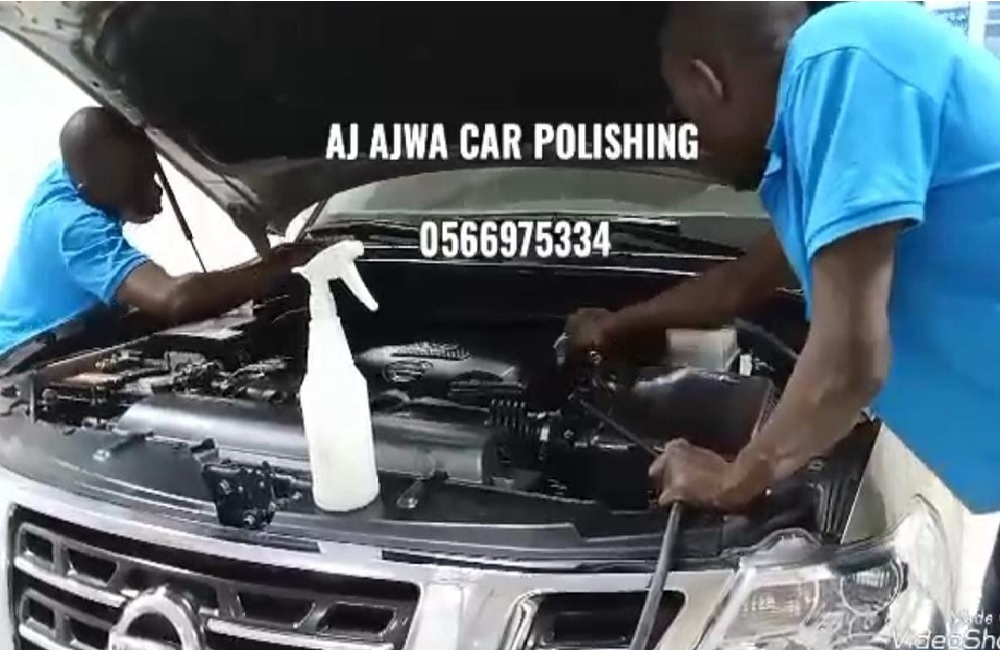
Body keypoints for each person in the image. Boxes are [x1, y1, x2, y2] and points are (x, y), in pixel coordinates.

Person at [566, 0, 1000, 630]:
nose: (695, 145)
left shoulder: (843, 62)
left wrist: (732, 480)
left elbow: (850, 362)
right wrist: (617, 326)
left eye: (685, 115)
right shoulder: (822, 138)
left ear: (705, 80)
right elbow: (741, 283)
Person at [0, 106, 319, 363]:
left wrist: (267, 264)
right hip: (27, 364)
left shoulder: (76, 167)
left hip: (81, 329)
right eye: (134, 186)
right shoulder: (74, 227)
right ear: (88, 189)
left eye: (147, 172)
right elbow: (174, 298)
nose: (155, 192)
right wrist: (277, 268)